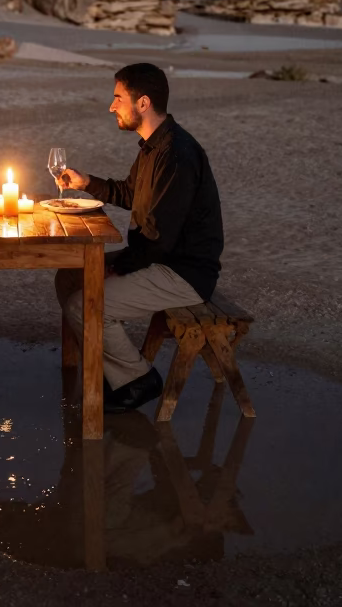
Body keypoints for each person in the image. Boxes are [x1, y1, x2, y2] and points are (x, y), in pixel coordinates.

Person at [55, 62, 223, 413]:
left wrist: (120, 269)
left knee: (82, 304)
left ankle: (137, 379)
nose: (111, 106)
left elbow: (159, 237)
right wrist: (86, 182)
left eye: (118, 98)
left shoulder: (176, 154)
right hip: (158, 257)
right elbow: (131, 194)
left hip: (182, 271)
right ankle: (102, 367)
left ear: (143, 103)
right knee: (69, 276)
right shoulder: (152, 146)